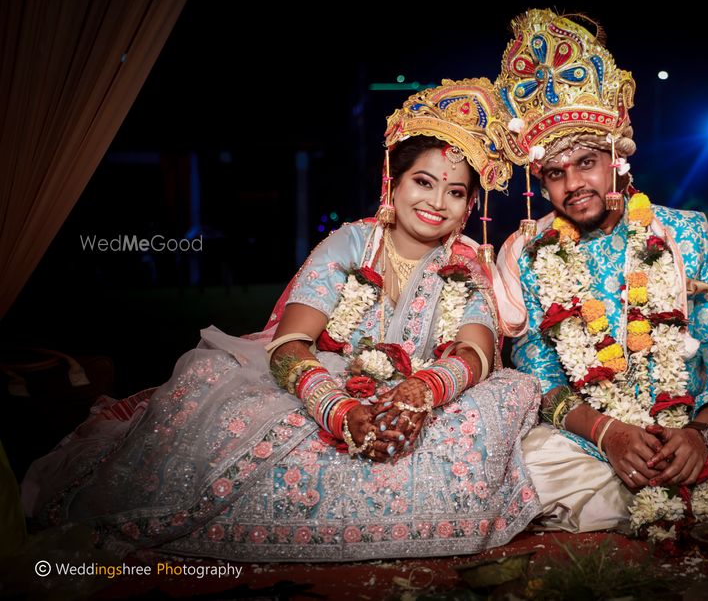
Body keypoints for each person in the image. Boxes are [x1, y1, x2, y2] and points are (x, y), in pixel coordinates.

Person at [22, 79, 542, 561]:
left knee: (504, 398)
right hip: (328, 382)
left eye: (454, 193)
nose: (436, 202)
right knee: (214, 398)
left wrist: (422, 391)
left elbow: (474, 351)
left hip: (417, 394)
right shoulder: (350, 243)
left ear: (471, 203)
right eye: (423, 182)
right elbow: (293, 342)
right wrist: (335, 409)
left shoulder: (467, 261)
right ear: (394, 182)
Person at [494, 9, 708, 537]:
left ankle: (662, 493)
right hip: (591, 444)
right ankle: (700, 501)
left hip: (693, 429)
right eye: (555, 173)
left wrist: (700, 434)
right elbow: (537, 377)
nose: (572, 184)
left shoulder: (687, 233)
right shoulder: (529, 253)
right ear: (543, 181)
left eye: (586, 163)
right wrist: (608, 434)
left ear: (616, 160)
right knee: (528, 467)